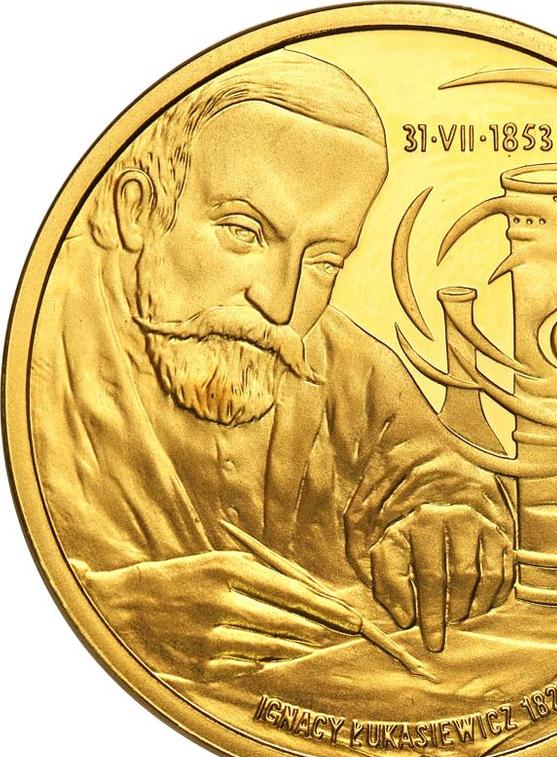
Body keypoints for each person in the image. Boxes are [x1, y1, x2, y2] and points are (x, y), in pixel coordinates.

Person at [30, 50, 513, 683]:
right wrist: (118, 613)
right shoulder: (39, 347)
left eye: (324, 261)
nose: (280, 305)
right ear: (138, 209)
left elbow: (433, 472)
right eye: (243, 231)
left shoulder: (337, 361)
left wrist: (449, 524)